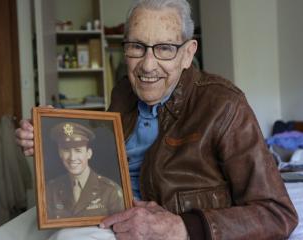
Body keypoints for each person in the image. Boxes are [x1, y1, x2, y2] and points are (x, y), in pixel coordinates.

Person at [16, 0, 298, 239]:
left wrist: (181, 227)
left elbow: (278, 213)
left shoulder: (225, 106)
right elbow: (101, 155)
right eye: (137, 47)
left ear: (188, 54)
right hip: (94, 209)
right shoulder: (124, 92)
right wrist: (47, 135)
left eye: (165, 48)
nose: (147, 65)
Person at [46, 122, 124, 219]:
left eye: (78, 150)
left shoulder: (111, 191)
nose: (72, 158)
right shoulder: (51, 190)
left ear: (89, 153)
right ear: (60, 153)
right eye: (66, 150)